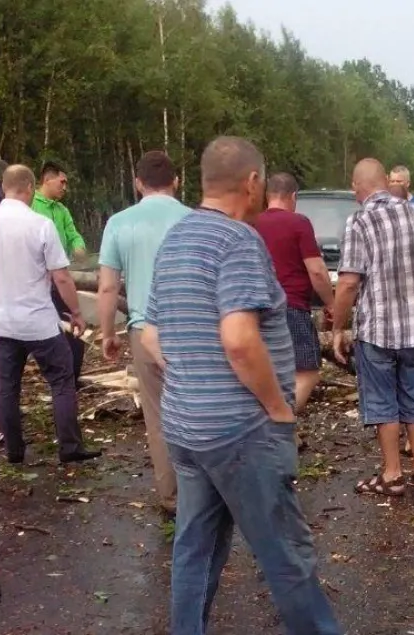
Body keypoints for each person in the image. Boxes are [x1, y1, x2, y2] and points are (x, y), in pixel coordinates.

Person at [140, 137, 341, 635]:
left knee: (196, 547)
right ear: (253, 182)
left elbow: (150, 332)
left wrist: (189, 375)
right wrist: (277, 406)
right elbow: (238, 338)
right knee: (285, 553)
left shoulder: (177, 240)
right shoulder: (237, 241)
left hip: (186, 427)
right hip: (240, 431)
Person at [332, 158, 414, 497]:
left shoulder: (360, 220)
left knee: (383, 401)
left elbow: (347, 284)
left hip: (378, 332)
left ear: (358, 187)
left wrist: (338, 327)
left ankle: (392, 474)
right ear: (385, 181)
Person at [97, 150, 189, 516]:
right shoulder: (193, 219)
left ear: (137, 183)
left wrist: (107, 333)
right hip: (191, 329)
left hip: (144, 328)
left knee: (158, 416)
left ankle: (172, 497)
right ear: (176, 181)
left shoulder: (120, 223)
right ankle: (208, 494)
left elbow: (106, 288)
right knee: (197, 410)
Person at [0, 164, 102, 465]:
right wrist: (77, 313)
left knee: (6, 386)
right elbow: (63, 278)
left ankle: (14, 451)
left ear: (5, 188)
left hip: (1, 322)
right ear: (29, 187)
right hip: (38, 321)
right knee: (61, 379)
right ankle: (69, 447)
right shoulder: (40, 224)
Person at [254, 173, 335, 429]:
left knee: (268, 372)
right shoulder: (298, 223)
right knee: (308, 372)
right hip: (291, 307)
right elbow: (318, 271)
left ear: (267, 195)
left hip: (254, 309)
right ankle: (278, 421)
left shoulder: (251, 222)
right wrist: (331, 304)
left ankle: (271, 425)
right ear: (293, 196)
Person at [31, 161, 88, 383]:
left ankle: (71, 381)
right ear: (47, 179)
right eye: (62, 182)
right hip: (35, 283)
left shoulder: (62, 210)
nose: (65, 187)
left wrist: (78, 246)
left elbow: (72, 233)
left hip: (59, 279)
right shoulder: (30, 204)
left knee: (74, 333)